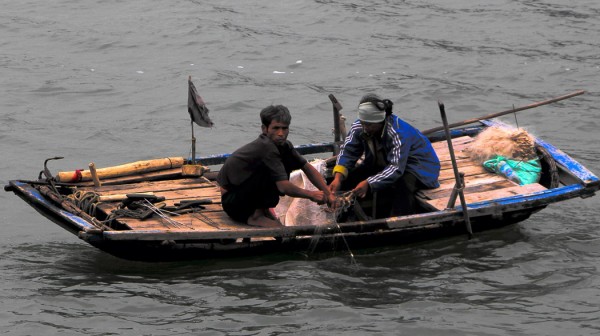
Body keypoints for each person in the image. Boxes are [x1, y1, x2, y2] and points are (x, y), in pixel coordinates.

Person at [217, 105, 335, 228]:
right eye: (276, 128)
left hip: (241, 196)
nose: (281, 133)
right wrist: (311, 194)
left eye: (284, 128)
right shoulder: (266, 147)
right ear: (265, 129)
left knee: (283, 163)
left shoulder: (285, 146)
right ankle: (255, 216)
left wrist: (328, 193)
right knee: (273, 172)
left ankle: (262, 210)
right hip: (233, 203)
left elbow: (306, 167)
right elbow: (283, 187)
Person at [329, 94, 440, 218]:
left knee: (403, 186)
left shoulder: (397, 133)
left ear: (381, 121)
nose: (365, 128)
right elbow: (348, 151)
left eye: (370, 125)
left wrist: (369, 183)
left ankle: (399, 223)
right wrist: (338, 177)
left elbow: (396, 168)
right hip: (385, 163)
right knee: (349, 179)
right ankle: (340, 213)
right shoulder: (360, 127)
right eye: (363, 123)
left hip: (418, 168)